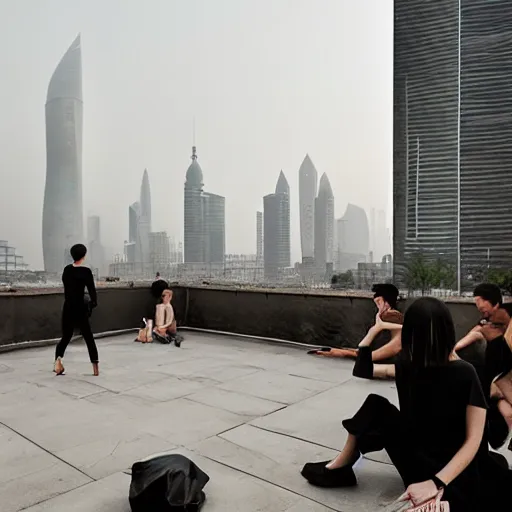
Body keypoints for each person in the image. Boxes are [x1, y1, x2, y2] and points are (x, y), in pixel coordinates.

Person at [301, 297, 511, 511]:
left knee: (376, 406)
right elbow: (474, 441)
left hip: (427, 469)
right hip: (441, 471)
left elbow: (362, 369)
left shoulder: (410, 366)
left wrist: (373, 333)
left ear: (409, 332)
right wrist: (436, 483)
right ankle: (342, 467)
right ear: (448, 331)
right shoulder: (461, 371)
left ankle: (339, 467)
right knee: (377, 406)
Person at [455, 284, 512, 449]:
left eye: (483, 306)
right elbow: (468, 338)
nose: (481, 310)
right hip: (497, 380)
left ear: (495, 303)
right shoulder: (485, 325)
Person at [310, 284, 403, 362]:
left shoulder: (391, 316)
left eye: (379, 303)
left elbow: (396, 345)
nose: (377, 307)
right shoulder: (388, 316)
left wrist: (348, 353)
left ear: (387, 302)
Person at [54, 244, 99, 376]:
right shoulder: (86, 272)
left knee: (66, 336)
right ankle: (95, 368)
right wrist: (91, 305)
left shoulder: (67, 270)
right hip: (81, 308)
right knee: (88, 338)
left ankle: (57, 361)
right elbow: (92, 292)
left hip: (68, 307)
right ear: (84, 255)